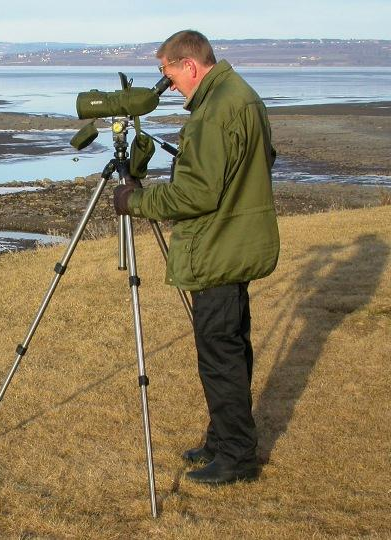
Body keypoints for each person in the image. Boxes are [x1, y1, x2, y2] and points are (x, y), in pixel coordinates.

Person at [113, 30, 280, 485]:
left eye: (166, 70)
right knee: (232, 347)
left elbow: (197, 192)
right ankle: (224, 439)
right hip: (237, 241)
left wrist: (136, 201)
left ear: (189, 65)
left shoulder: (214, 112)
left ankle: (237, 457)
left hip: (218, 247)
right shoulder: (242, 96)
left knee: (219, 353)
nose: (165, 82)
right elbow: (262, 159)